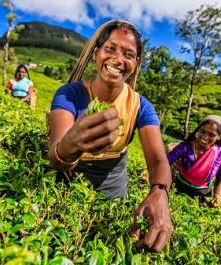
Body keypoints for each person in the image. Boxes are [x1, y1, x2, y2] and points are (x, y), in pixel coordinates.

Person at [48, 19, 173, 252]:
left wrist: (159, 192)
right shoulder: (69, 96)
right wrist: (71, 144)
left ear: (135, 64)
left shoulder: (140, 107)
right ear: (96, 53)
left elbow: (157, 159)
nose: (117, 59)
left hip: (113, 184)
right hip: (69, 180)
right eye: (110, 49)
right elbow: (55, 158)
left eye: (128, 54)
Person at [167, 115, 221, 207]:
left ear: (219, 137)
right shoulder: (185, 147)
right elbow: (165, 163)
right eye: (203, 131)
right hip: (178, 190)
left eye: (211, 135)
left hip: (202, 197)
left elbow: (220, 180)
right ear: (198, 130)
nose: (205, 137)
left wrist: (217, 196)